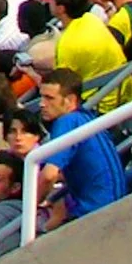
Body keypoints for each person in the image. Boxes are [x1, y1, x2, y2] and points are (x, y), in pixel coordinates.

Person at [34, 69, 125, 224]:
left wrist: (29, 206)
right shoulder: (86, 118)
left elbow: (49, 175)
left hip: (96, 215)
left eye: (49, 98)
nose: (41, 104)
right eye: (41, 97)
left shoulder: (67, 122)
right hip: (113, 207)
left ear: (70, 100)